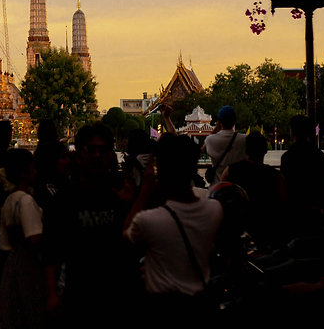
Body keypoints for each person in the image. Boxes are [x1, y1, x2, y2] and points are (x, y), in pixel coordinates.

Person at [45, 123, 140, 327]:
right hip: (79, 291)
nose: (97, 155)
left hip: (117, 291)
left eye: (103, 150)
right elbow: (51, 250)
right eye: (91, 149)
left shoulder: (119, 192)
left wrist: (134, 201)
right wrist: (52, 293)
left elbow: (131, 238)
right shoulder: (64, 199)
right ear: (79, 153)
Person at [125, 134, 223, 322]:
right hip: (200, 306)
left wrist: (144, 191)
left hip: (163, 309)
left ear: (160, 170)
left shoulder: (150, 220)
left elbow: (123, 241)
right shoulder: (214, 209)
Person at [0, 148, 48, 329]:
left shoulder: (10, 199)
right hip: (27, 266)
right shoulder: (25, 201)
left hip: (12, 263)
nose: (36, 172)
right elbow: (33, 238)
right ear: (23, 172)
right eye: (33, 168)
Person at [225, 131, 286, 249]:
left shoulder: (231, 171)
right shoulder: (275, 176)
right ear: (265, 151)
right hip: (268, 232)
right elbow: (283, 202)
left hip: (240, 231)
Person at [280, 115, 324, 238]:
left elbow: (285, 186)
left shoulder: (288, 157)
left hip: (294, 212)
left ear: (292, 132)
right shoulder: (318, 156)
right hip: (314, 212)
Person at [203, 105, 246, 184]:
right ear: (234, 120)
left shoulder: (211, 140)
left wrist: (217, 127)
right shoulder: (244, 140)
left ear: (219, 121)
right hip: (238, 188)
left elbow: (203, 149)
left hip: (218, 187)